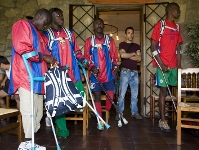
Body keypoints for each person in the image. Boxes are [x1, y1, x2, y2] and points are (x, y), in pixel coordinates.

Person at [9, 8, 56, 141]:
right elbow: (23, 48)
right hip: (26, 76)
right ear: (38, 16)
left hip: (38, 79)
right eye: (45, 22)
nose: (46, 26)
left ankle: (33, 141)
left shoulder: (40, 35)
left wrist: (52, 60)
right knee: (29, 112)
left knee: (38, 113)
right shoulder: (22, 25)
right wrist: (46, 57)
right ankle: (29, 143)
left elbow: (46, 53)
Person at [43, 7, 88, 144]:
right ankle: (62, 130)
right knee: (59, 104)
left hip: (73, 72)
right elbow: (45, 55)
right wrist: (55, 65)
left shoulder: (69, 34)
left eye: (62, 15)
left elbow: (77, 52)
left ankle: (54, 119)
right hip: (57, 76)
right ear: (51, 19)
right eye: (58, 15)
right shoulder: (46, 35)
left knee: (80, 99)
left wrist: (83, 60)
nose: (61, 17)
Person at [150, 2, 183, 132]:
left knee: (176, 92)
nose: (179, 12)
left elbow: (178, 48)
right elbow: (153, 47)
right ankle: (162, 120)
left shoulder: (177, 27)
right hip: (162, 65)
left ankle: (176, 118)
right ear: (171, 10)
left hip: (174, 65)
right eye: (177, 10)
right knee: (163, 92)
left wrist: (179, 65)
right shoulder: (160, 25)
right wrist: (161, 64)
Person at [84, 18, 118, 130]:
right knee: (97, 98)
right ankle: (100, 121)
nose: (99, 25)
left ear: (103, 26)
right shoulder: (89, 41)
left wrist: (116, 69)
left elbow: (114, 57)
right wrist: (92, 67)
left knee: (110, 99)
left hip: (108, 75)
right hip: (95, 76)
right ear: (93, 27)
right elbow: (85, 59)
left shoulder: (110, 40)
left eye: (101, 23)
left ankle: (107, 110)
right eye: (96, 24)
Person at [117, 27, 142, 120]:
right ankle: (120, 113)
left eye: (132, 33)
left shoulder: (136, 45)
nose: (130, 35)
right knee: (122, 94)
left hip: (135, 73)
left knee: (135, 95)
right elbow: (122, 55)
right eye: (129, 33)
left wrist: (128, 55)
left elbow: (139, 58)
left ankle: (134, 112)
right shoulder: (122, 44)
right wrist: (133, 54)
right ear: (125, 35)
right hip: (125, 72)